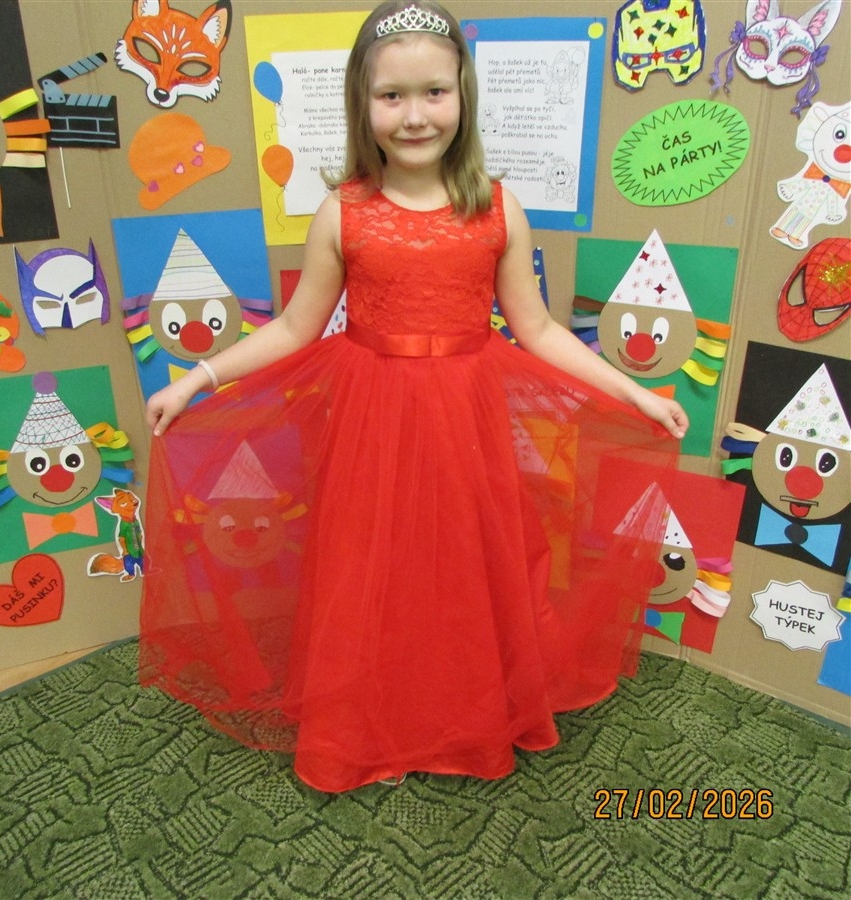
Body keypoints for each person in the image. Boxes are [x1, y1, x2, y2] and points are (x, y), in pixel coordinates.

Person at [141, 0, 688, 793]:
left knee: (466, 566)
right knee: (373, 569)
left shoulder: (497, 207)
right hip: (372, 419)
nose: (415, 115)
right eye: (391, 96)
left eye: (434, 92)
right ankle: (368, 723)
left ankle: (463, 713)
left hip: (467, 418)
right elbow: (295, 327)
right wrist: (199, 378)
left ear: (463, 94)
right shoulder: (343, 212)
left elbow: (537, 329)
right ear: (362, 104)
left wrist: (633, 392)